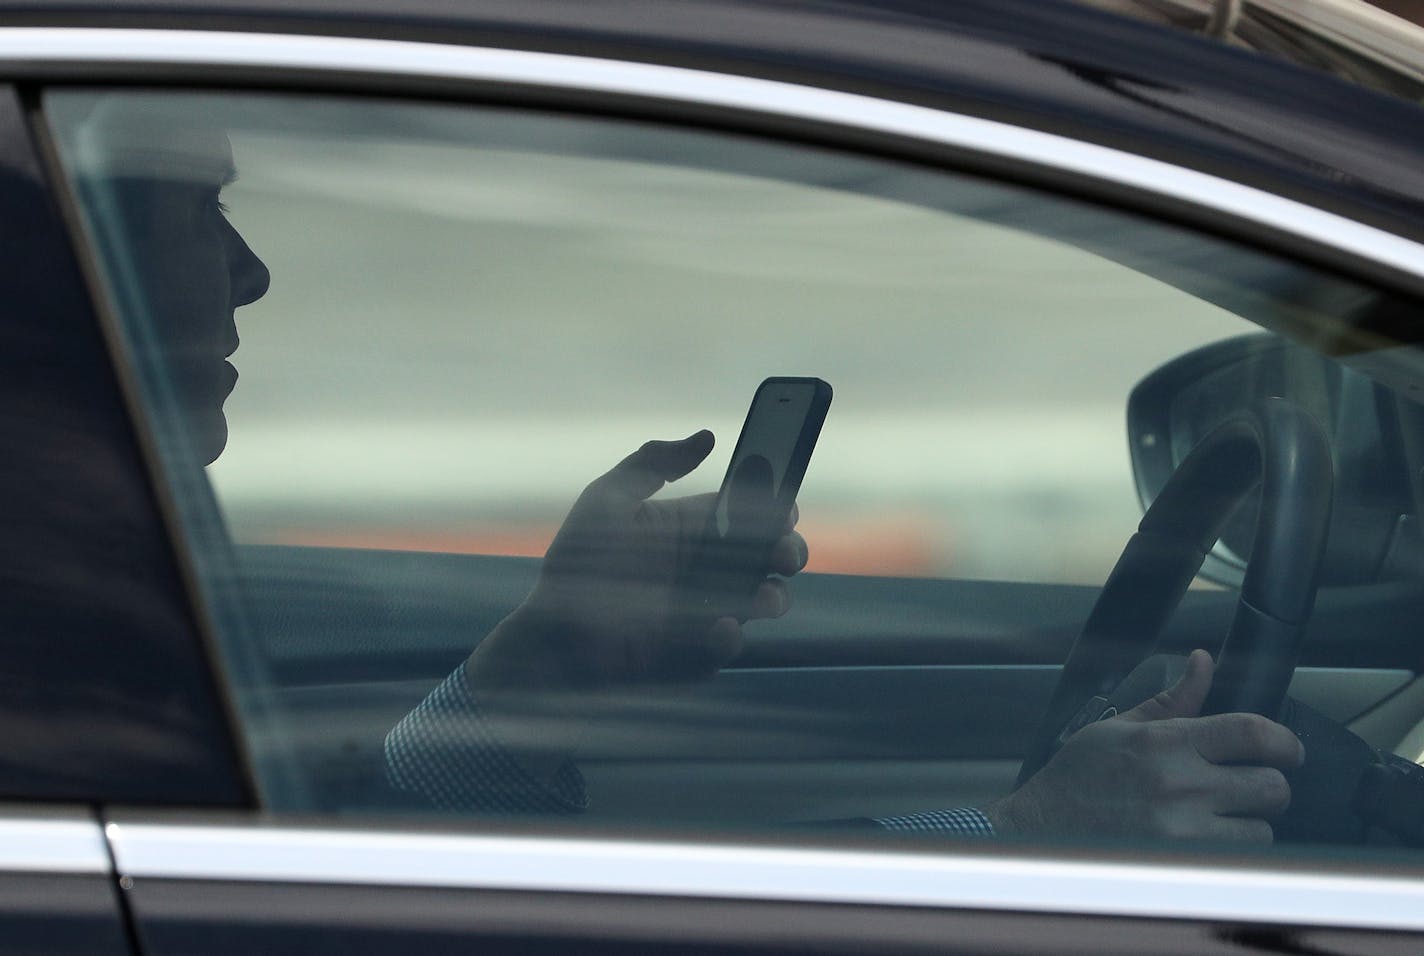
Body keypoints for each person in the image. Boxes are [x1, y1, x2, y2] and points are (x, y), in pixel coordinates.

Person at [73, 98, 1303, 842]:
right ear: (57, 268)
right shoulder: (51, 633)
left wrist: (533, 667)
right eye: (196, 215)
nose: (250, 272)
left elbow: (330, 880)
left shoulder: (85, 582)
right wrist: (1020, 844)